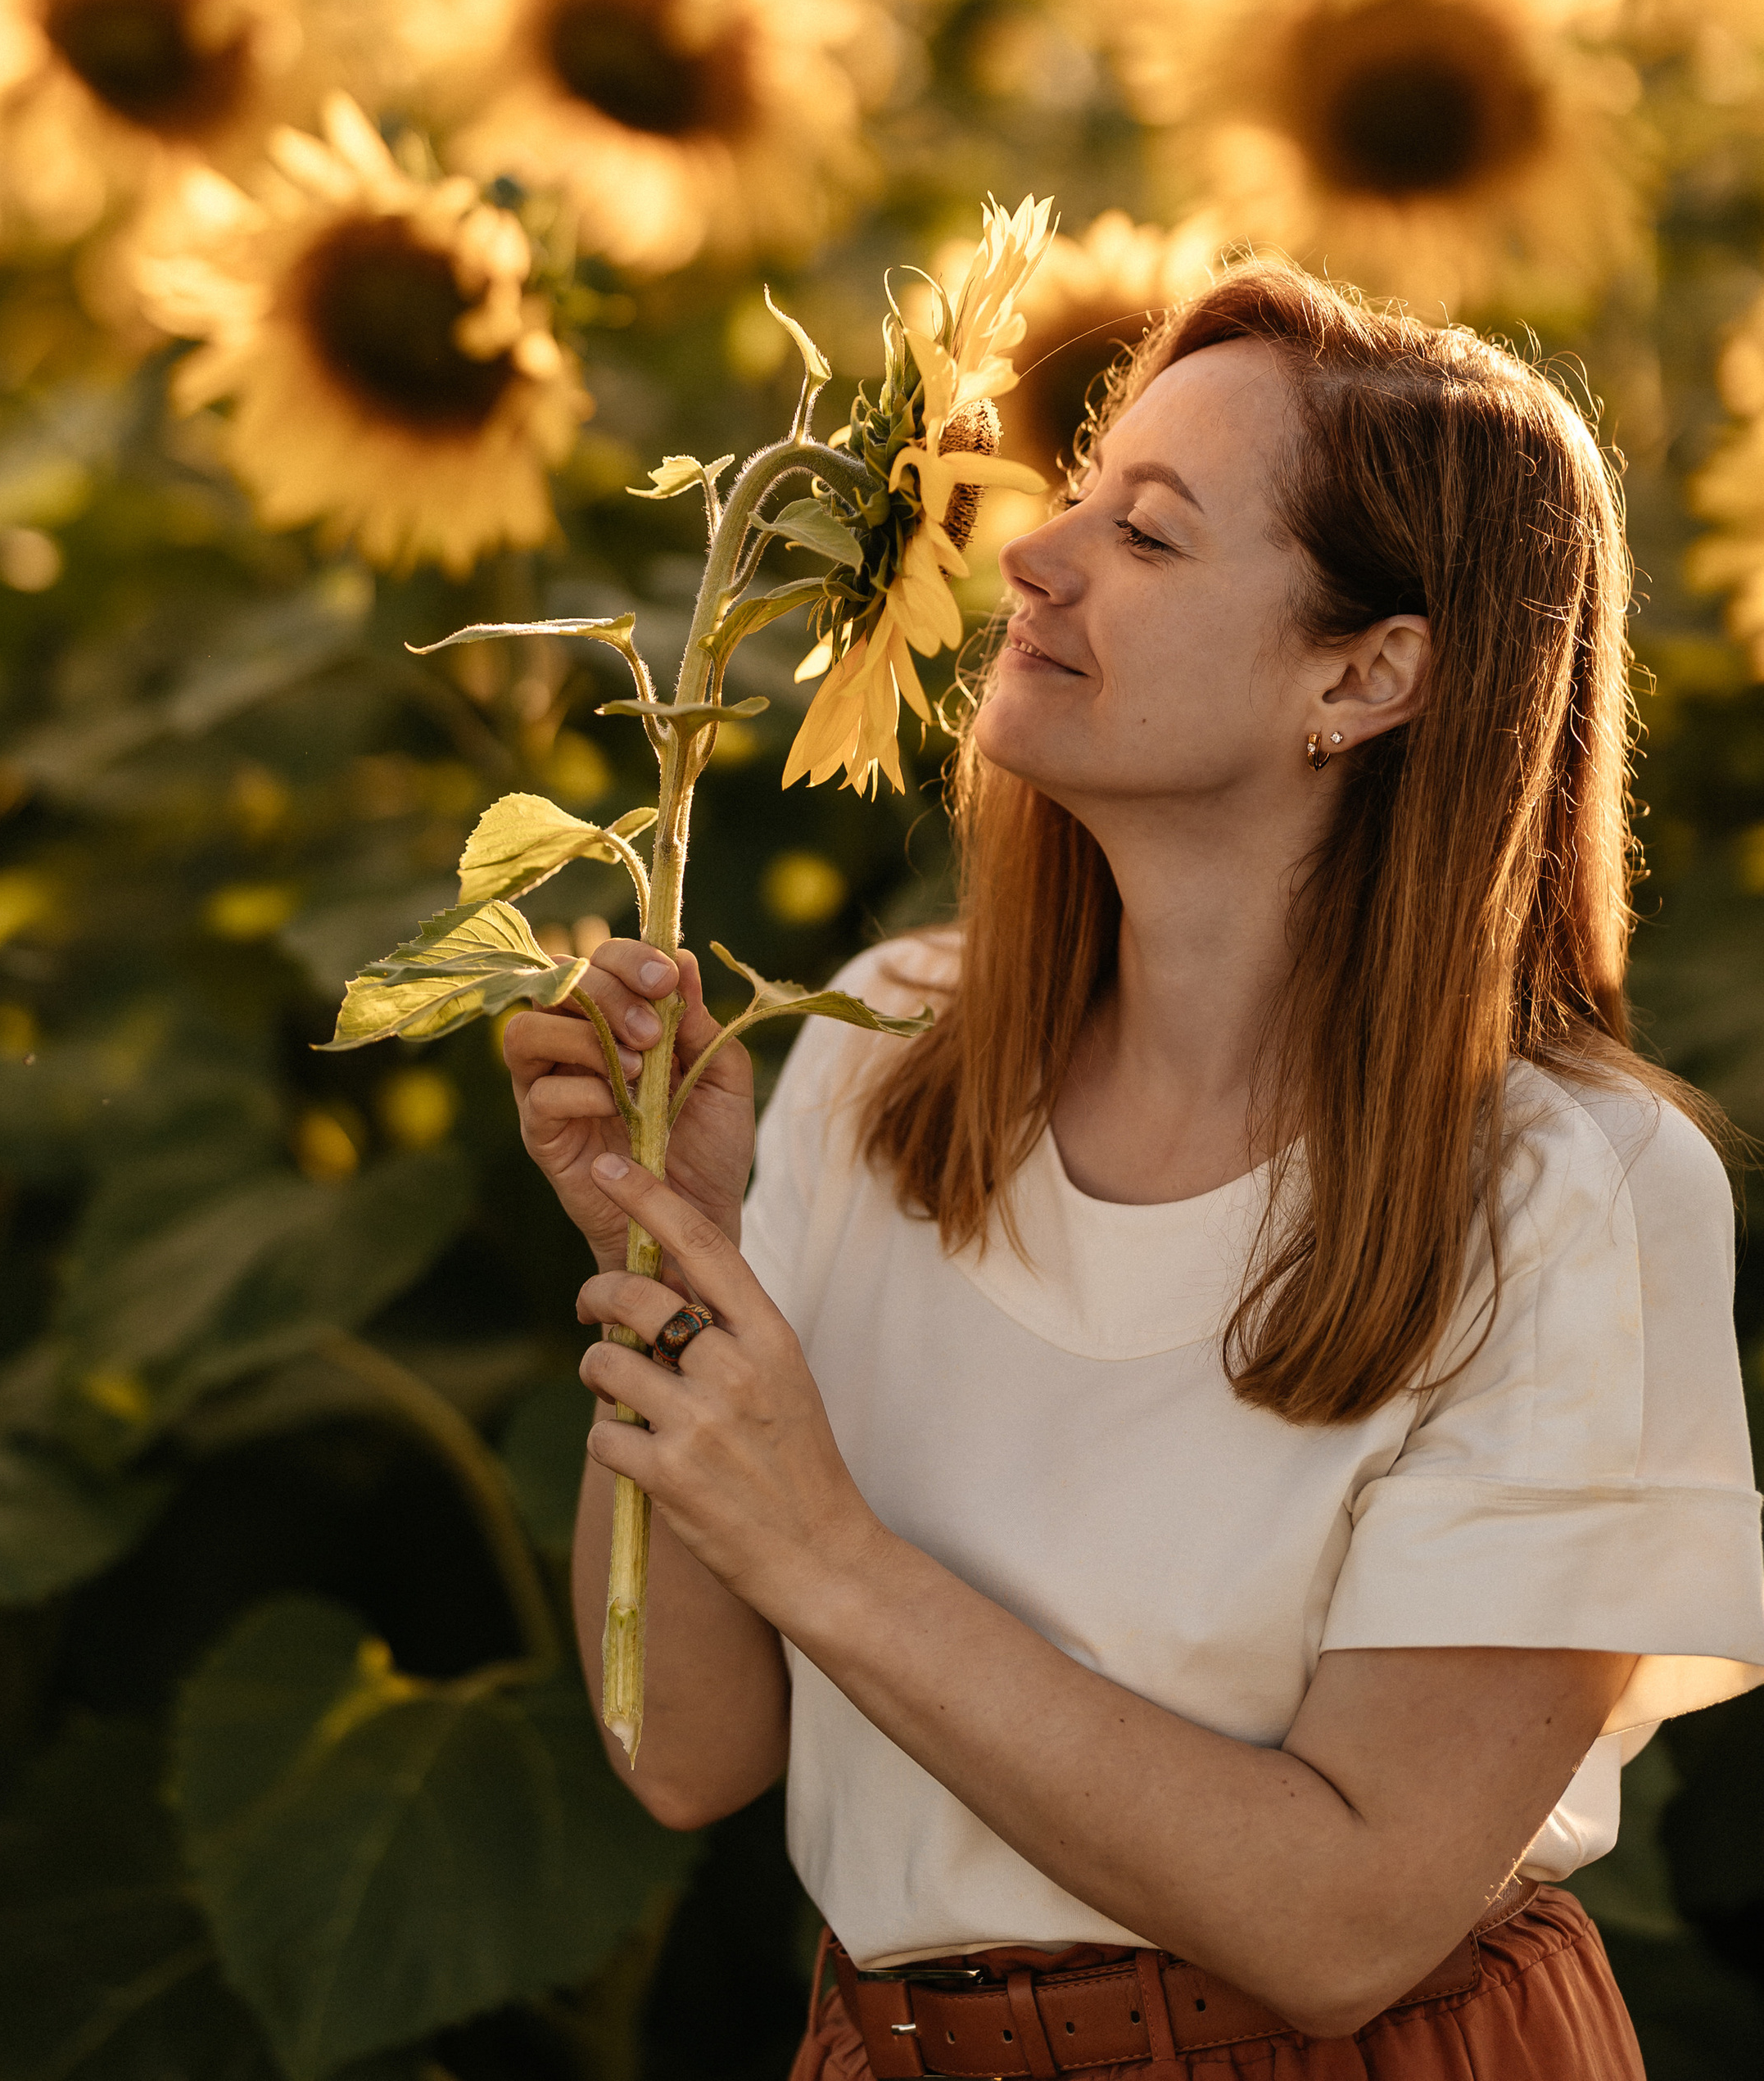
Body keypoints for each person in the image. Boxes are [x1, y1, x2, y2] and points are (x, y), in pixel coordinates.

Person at [505, 265, 1764, 2079]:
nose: (1032, 551)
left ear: (1365, 671)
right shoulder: (883, 1055)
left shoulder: (1563, 1191)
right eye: (1082, 492)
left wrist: (832, 1556)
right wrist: (681, 1242)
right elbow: (683, 1749)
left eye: (1149, 536)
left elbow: (1345, 1925)